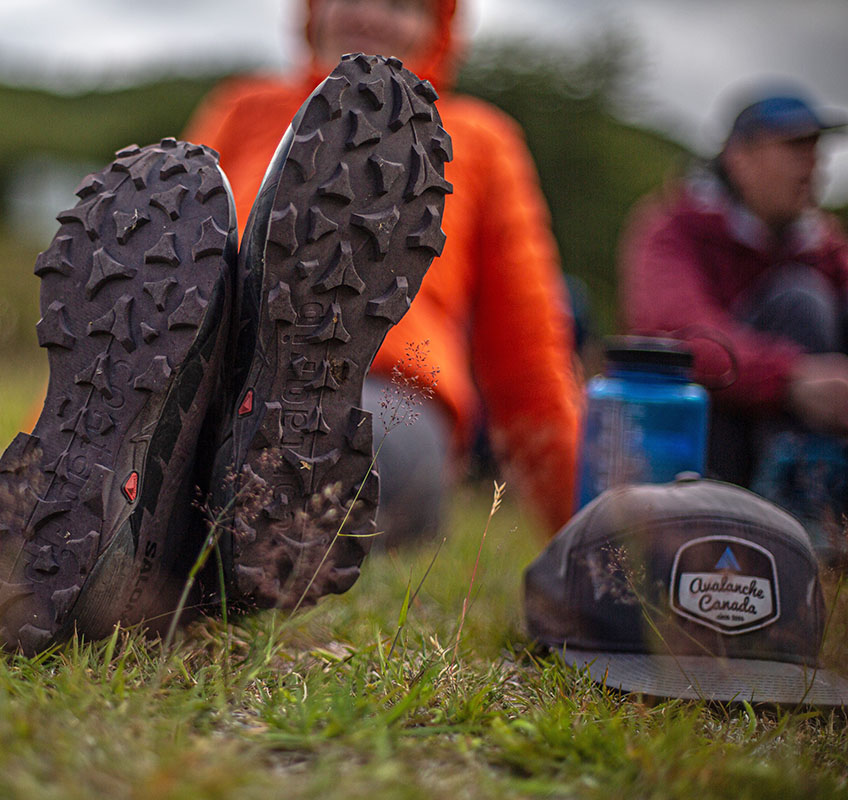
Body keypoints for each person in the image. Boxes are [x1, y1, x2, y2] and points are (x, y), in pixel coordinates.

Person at [183, 0, 581, 541]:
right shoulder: (245, 107)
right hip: (226, 385)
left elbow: (528, 355)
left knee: (331, 438)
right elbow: (158, 301)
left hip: (387, 400)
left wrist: (589, 538)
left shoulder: (483, 140)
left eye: (400, 4)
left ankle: (238, 531)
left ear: (437, 30)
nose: (368, 16)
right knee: (184, 424)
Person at [619, 87, 848, 565]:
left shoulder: (823, 245)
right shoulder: (676, 227)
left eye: (816, 149)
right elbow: (678, 337)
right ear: (740, 157)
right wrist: (790, 380)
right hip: (711, 451)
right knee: (800, 300)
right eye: (793, 146)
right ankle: (799, 529)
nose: (813, 164)